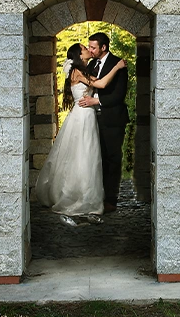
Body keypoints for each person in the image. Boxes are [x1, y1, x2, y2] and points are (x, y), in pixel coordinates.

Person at [36, 42, 125, 226]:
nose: (88, 50)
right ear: (79, 54)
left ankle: (86, 193)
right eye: (85, 49)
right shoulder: (78, 71)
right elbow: (101, 83)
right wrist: (117, 67)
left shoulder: (82, 69)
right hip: (83, 116)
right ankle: (80, 196)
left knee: (86, 155)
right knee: (83, 155)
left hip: (85, 115)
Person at [77, 32, 130, 214]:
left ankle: (111, 200)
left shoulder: (119, 65)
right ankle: (95, 196)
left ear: (103, 47)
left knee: (112, 159)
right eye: (89, 47)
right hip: (91, 119)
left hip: (112, 118)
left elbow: (119, 95)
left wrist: (96, 101)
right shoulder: (91, 64)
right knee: (94, 158)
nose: (90, 50)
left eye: (93, 47)